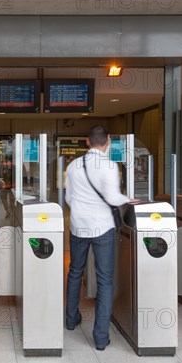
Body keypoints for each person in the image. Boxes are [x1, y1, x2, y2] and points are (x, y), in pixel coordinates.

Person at [64, 125, 139, 351]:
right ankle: (100, 337)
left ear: (87, 141)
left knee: (75, 271)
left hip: (78, 227)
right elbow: (113, 198)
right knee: (105, 280)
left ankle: (70, 319)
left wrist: (81, 210)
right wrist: (129, 199)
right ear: (107, 143)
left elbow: (69, 197)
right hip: (103, 228)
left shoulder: (74, 165)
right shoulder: (109, 165)